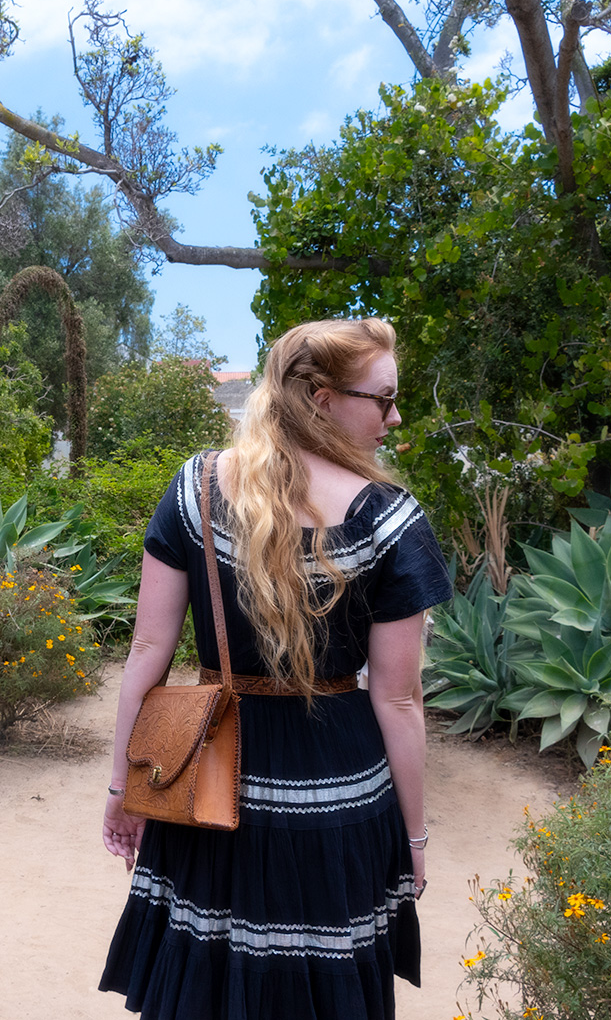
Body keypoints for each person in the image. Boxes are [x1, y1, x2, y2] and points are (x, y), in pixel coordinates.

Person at [98, 318, 452, 1019]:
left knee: (210, 984)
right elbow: (400, 700)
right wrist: (413, 839)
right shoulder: (391, 519)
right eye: (382, 399)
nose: (395, 415)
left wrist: (125, 784)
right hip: (339, 796)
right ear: (321, 397)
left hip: (207, 783)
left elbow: (147, 651)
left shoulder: (196, 490)